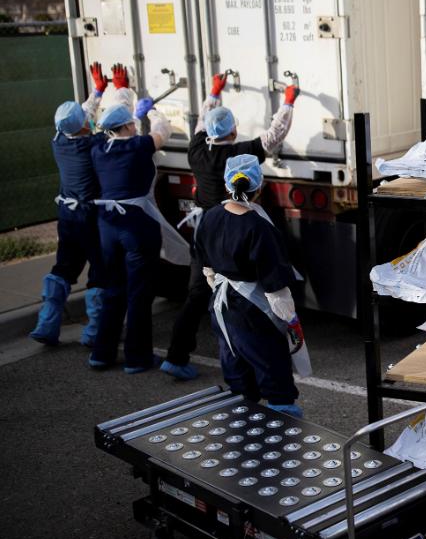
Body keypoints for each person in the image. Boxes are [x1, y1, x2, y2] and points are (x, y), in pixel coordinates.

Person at [160, 74, 300, 380]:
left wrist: (213, 93)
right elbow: (274, 136)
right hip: (234, 225)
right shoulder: (240, 154)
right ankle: (262, 350)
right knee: (249, 288)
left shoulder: (196, 149)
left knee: (199, 293)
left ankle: (177, 354)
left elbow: (200, 124)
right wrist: (288, 101)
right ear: (234, 131)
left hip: (206, 229)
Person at [88, 64, 190, 372]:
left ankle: (101, 353)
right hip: (136, 226)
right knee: (139, 292)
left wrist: (121, 96)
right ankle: (137, 357)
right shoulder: (138, 146)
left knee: (113, 289)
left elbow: (96, 124)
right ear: (127, 127)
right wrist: (153, 112)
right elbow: (162, 133)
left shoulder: (97, 147)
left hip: (107, 226)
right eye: (131, 124)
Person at [195, 154, 307, 417]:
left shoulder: (209, 216)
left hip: (222, 308)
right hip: (254, 315)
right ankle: (282, 431)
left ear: (226, 185)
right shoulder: (259, 227)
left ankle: (243, 432)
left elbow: (206, 266)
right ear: (260, 187)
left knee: (237, 374)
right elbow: (275, 287)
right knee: (273, 375)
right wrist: (290, 321)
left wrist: (217, 286)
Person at [30, 63, 112, 346]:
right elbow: (112, 129)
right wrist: (119, 93)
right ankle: (93, 332)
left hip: (67, 216)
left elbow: (78, 119)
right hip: (90, 216)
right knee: (99, 270)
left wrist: (98, 91)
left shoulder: (59, 141)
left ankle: (47, 323)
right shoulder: (95, 145)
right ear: (84, 125)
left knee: (64, 266)